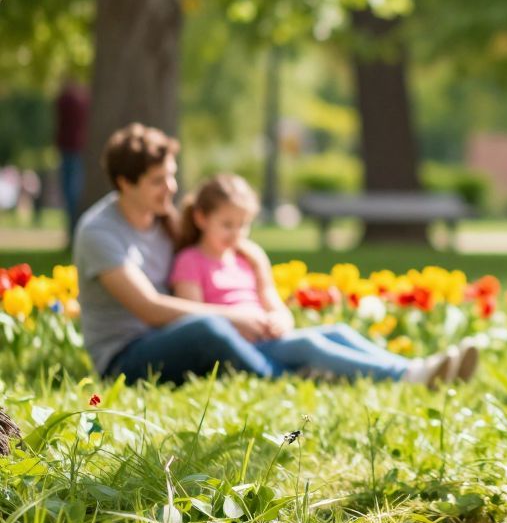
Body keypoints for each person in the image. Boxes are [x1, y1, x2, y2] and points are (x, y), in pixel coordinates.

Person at [74, 123, 471, 385]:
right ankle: (300, 374)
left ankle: (414, 370)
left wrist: (257, 273)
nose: (171, 188)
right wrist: (236, 316)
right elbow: (149, 308)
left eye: (172, 175)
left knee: (331, 332)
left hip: (175, 339)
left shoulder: (162, 219)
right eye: (158, 181)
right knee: (210, 329)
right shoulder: (100, 232)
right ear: (125, 182)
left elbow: (216, 243)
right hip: (128, 360)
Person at [170, 172, 473, 386]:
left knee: (338, 330)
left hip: (271, 337)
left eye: (243, 225)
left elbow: (272, 301)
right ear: (201, 218)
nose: (236, 234)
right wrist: (240, 322)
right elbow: (194, 320)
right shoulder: (190, 261)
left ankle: (416, 367)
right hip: (242, 348)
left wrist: (281, 319)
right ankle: (408, 376)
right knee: (311, 344)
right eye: (226, 225)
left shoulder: (247, 256)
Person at [54, 77, 89, 241]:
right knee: (72, 192)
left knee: (70, 193)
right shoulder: (84, 99)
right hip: (77, 148)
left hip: (69, 149)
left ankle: (73, 231)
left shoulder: (67, 99)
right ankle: (73, 230)